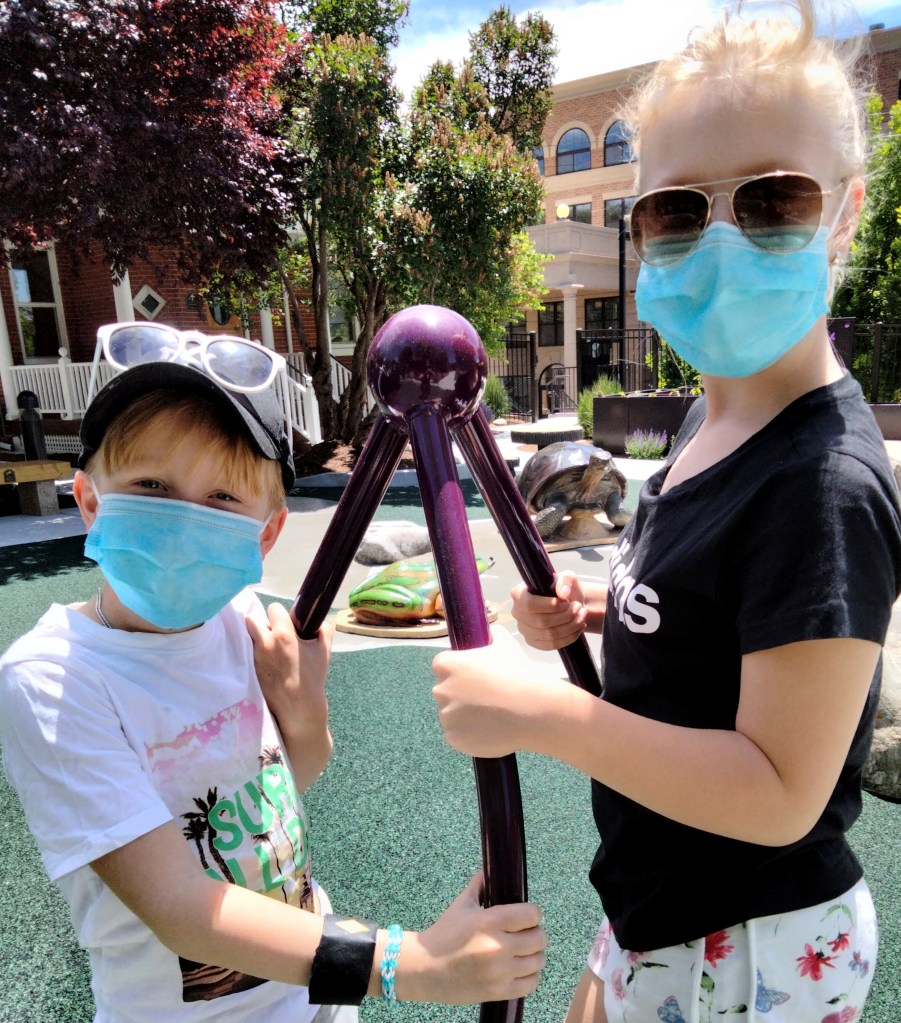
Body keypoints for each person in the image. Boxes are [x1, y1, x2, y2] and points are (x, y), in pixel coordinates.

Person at [431, 3, 901, 1021]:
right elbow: (717, 608)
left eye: (772, 199)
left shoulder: (821, 487)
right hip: (661, 891)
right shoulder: (708, 417)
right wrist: (602, 607)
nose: (720, 238)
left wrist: (544, 714)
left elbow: (777, 791)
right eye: (676, 211)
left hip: (748, 934)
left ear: (844, 213)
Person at [0, 323, 546, 1023]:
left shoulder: (241, 619)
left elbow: (289, 780)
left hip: (311, 998)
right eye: (151, 484)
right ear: (89, 501)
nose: (184, 517)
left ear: (266, 534)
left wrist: (304, 705)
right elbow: (182, 910)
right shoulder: (53, 679)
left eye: (222, 498)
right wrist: (408, 962)